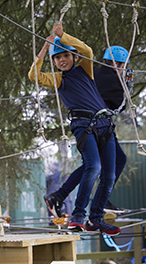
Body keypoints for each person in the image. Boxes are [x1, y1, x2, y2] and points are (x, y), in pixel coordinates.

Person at [28, 22, 120, 235]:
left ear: (74, 58)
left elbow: (87, 50)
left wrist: (64, 36)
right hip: (83, 126)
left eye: (65, 56)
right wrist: (45, 48)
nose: (62, 61)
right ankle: (78, 215)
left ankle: (95, 219)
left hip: (104, 125)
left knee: (109, 175)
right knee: (93, 167)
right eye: (57, 58)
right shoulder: (59, 79)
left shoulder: (85, 70)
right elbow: (35, 76)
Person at [44, 45, 131, 217]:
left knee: (93, 165)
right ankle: (71, 199)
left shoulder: (92, 71)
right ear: (118, 64)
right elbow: (118, 105)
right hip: (99, 125)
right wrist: (125, 85)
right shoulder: (113, 79)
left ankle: (61, 196)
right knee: (105, 163)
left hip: (90, 124)